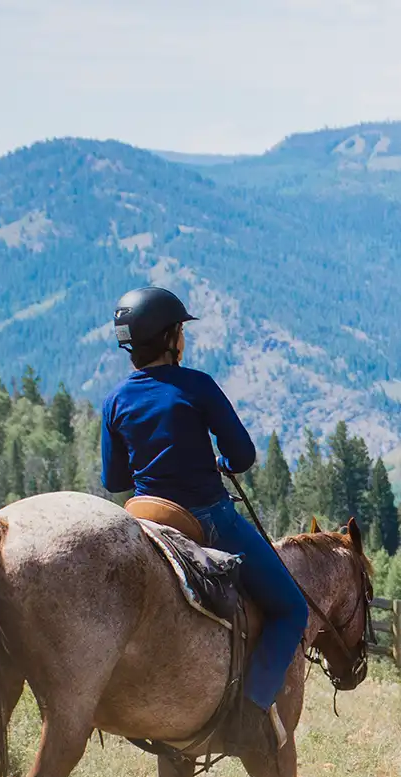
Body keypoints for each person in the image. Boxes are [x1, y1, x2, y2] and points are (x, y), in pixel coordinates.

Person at [100, 286, 308, 753]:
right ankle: (249, 714)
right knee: (291, 609)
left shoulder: (114, 401)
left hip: (145, 520)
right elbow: (244, 455)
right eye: (181, 331)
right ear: (172, 337)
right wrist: (211, 456)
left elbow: (114, 480)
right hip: (206, 518)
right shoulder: (196, 386)